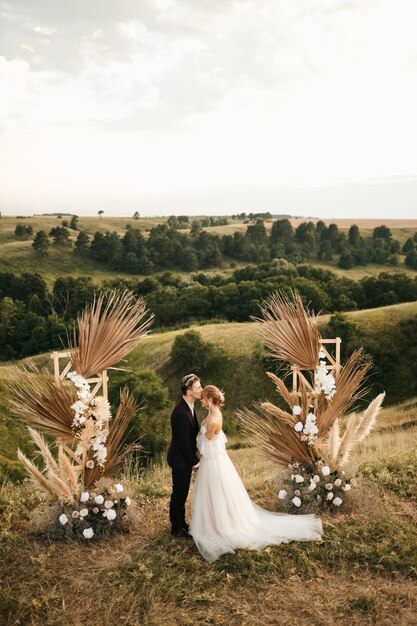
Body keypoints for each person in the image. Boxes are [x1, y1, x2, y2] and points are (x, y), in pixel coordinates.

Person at [189, 385, 323, 562]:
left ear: (210, 400)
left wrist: (195, 458)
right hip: (215, 460)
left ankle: (220, 525)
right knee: (216, 493)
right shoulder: (212, 413)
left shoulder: (213, 419)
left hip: (213, 462)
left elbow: (206, 446)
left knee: (217, 492)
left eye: (203, 397)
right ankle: (213, 521)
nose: (201, 400)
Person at [167, 373, 202, 538]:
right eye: (198, 388)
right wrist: (194, 462)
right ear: (189, 391)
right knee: (179, 494)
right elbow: (184, 443)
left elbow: (190, 437)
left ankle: (181, 523)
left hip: (184, 458)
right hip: (180, 459)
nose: (201, 390)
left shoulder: (190, 408)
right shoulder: (181, 412)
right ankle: (176, 528)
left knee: (182, 493)